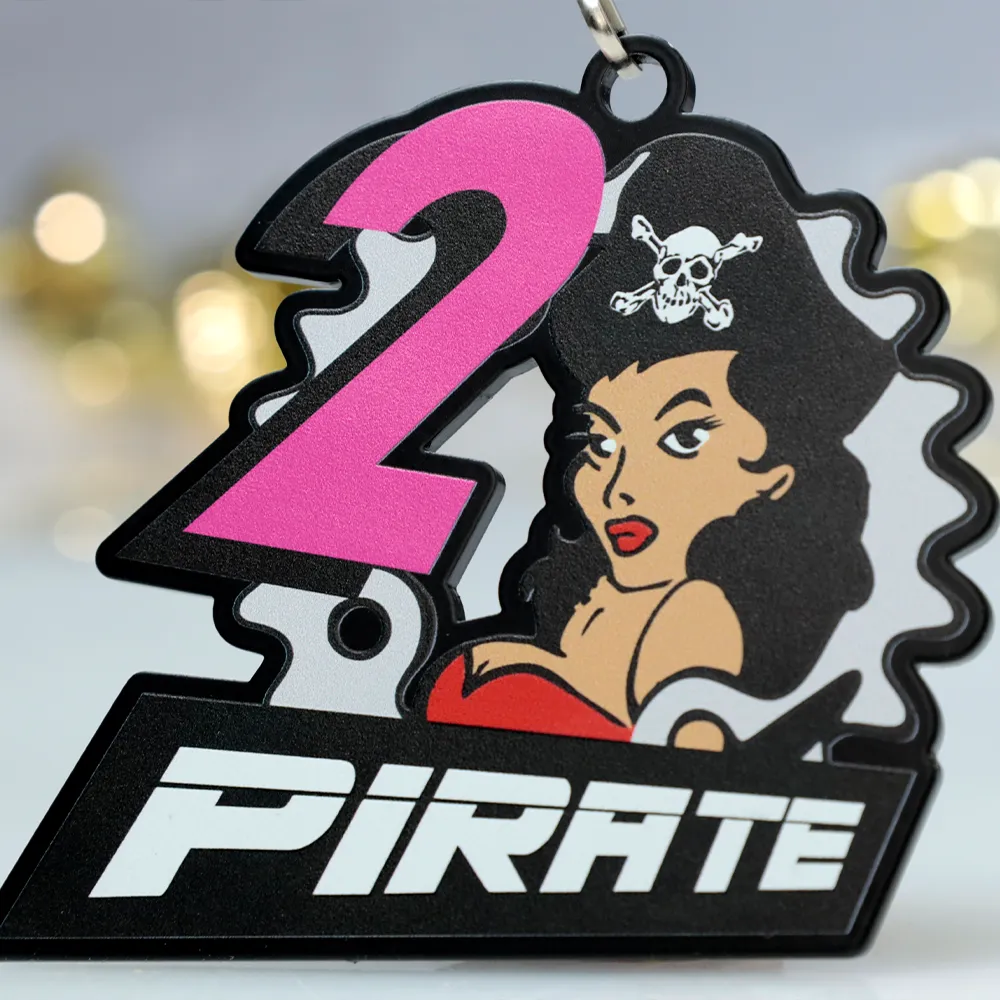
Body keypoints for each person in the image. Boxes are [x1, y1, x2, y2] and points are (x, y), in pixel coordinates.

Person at [423, 134, 896, 751]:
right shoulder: (590, 598)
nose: (617, 489)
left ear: (777, 471)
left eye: (684, 437)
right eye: (602, 443)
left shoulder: (696, 617)